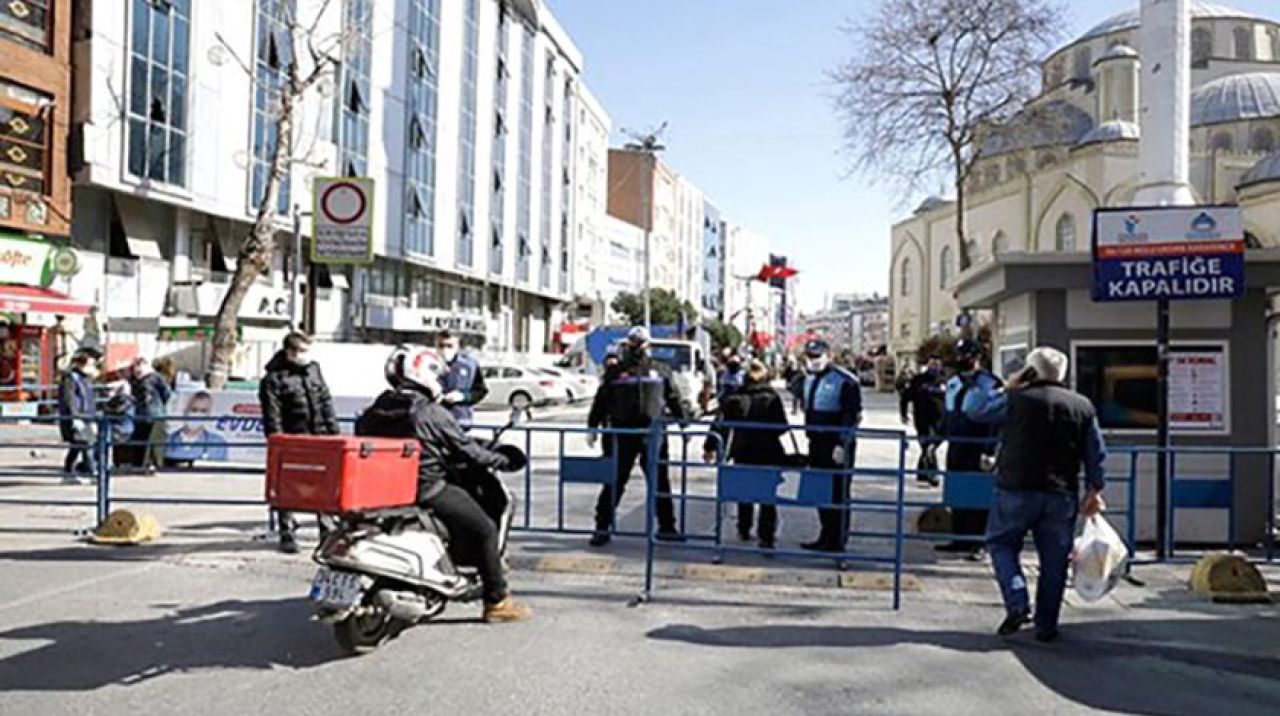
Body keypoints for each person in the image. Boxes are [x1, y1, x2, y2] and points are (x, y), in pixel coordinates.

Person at [355, 345, 531, 623]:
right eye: (436, 375)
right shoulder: (430, 412)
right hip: (427, 489)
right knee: (485, 528)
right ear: (423, 374)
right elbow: (467, 450)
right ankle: (497, 601)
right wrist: (501, 461)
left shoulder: (374, 410)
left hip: (385, 490)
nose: (438, 381)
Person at [963, 346, 1107, 642]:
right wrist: (1095, 488)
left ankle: (1017, 601)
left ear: (1031, 372)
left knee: (1001, 544)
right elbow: (1096, 452)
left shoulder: (1016, 400)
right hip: (1060, 492)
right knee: (1054, 561)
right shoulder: (1081, 405)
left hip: (1015, 488)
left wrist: (1009, 384)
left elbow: (974, 409)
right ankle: (1046, 626)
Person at [586, 326, 692, 547]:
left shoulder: (661, 370)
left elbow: (673, 398)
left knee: (660, 481)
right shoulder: (615, 373)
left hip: (653, 435)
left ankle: (666, 527)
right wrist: (592, 426)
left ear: (647, 346)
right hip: (622, 435)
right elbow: (601, 400)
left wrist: (684, 424)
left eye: (640, 342)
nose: (637, 346)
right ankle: (602, 527)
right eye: (634, 342)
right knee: (615, 481)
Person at [259, 332, 339, 554]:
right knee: (288, 486)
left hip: (319, 436)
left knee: (324, 485)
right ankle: (287, 531)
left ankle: (326, 532)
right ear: (289, 351)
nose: (305, 356)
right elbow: (272, 415)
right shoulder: (273, 379)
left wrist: (333, 433)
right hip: (293, 439)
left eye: (307, 351)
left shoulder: (314, 370)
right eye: (301, 351)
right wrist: (278, 441)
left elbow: (325, 400)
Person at [704, 360, 788, 549]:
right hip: (769, 451)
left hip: (743, 450)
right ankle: (766, 535)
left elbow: (720, 424)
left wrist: (709, 446)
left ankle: (744, 527)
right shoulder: (772, 397)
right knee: (768, 495)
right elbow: (782, 427)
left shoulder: (735, 397)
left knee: (745, 491)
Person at [939, 339, 1002, 559]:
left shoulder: (990, 383)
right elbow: (947, 414)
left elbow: (995, 420)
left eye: (965, 355)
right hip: (956, 444)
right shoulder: (953, 381)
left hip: (978, 446)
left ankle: (979, 543)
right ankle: (959, 538)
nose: (960, 359)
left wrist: (990, 450)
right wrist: (933, 443)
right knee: (958, 492)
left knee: (979, 495)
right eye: (959, 354)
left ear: (976, 357)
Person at [799, 338, 862, 552]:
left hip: (836, 443)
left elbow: (851, 416)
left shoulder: (845, 381)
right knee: (820, 490)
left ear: (829, 356)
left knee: (838, 492)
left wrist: (842, 444)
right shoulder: (808, 379)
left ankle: (838, 540)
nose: (813, 361)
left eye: (817, 356)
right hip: (815, 441)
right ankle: (825, 535)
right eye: (810, 357)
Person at [901, 356, 945, 487]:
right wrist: (903, 414)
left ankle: (921, 472)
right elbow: (905, 397)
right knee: (928, 446)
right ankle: (933, 474)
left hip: (940, 419)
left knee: (931, 445)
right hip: (922, 419)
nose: (935, 367)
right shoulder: (918, 380)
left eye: (937, 365)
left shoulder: (944, 381)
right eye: (932, 365)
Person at [57, 350, 100, 484]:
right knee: (86, 444)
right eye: (91, 364)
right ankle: (92, 473)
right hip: (77, 417)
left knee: (77, 446)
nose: (93, 368)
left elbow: (88, 399)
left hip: (86, 416)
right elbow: (69, 398)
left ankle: (68, 472)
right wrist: (74, 417)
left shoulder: (85, 379)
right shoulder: (71, 378)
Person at [436, 331, 489, 430]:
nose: (445, 349)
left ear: (457, 347)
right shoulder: (428, 364)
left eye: (449, 346)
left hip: (461, 421)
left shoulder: (469, 365)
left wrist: (463, 397)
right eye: (441, 345)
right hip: (435, 420)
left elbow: (480, 391)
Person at [129, 357, 172, 474]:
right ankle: (139, 464)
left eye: (140, 366)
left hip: (154, 414)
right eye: (136, 367)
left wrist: (159, 405)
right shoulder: (134, 379)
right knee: (140, 439)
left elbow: (166, 393)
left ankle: (151, 464)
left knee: (152, 440)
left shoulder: (156, 377)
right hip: (139, 414)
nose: (137, 370)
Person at [166, 391, 230, 463]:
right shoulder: (167, 440)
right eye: (194, 410)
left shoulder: (217, 444)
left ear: (208, 415)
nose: (197, 414)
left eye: (203, 411)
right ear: (185, 411)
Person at [103, 382, 136, 470]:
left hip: (122, 429)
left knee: (118, 443)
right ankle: (118, 463)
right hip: (123, 428)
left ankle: (118, 463)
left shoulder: (125, 400)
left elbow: (117, 411)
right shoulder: (127, 399)